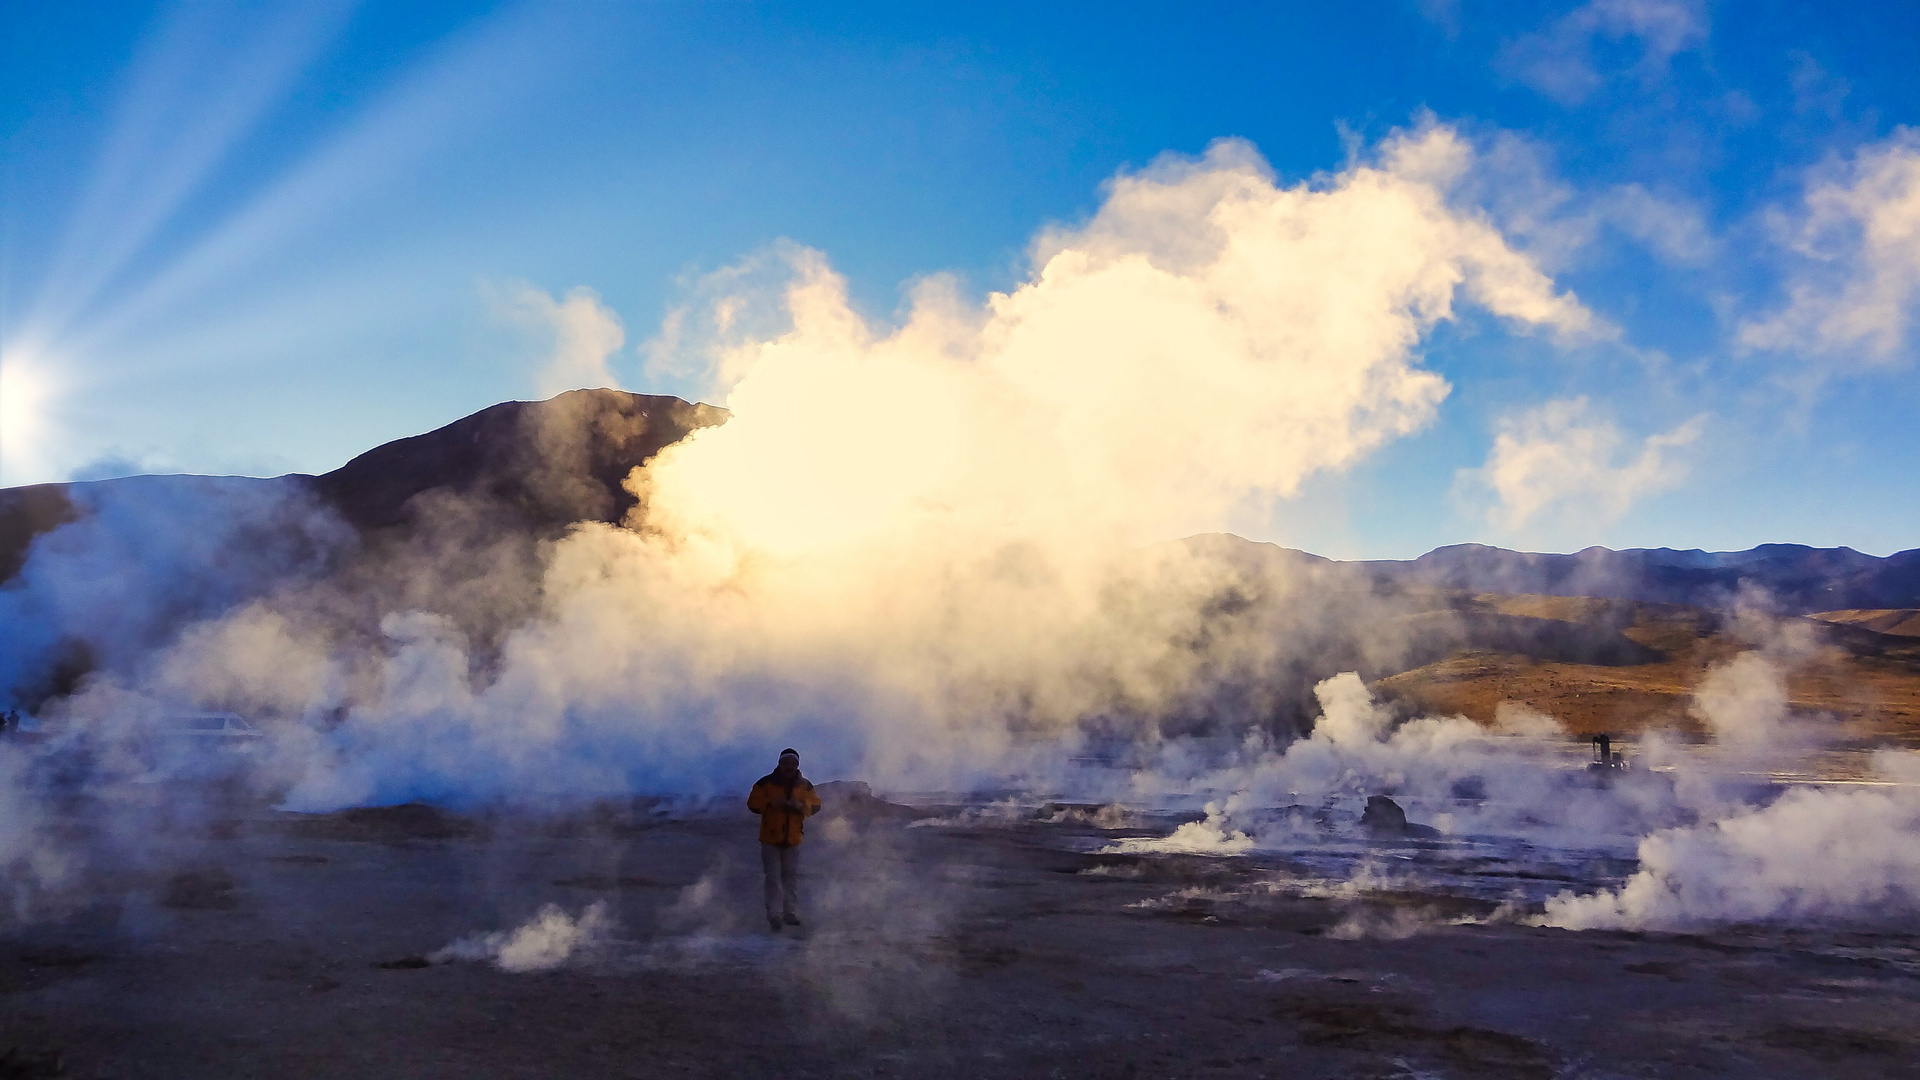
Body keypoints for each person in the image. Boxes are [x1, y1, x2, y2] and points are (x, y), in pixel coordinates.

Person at [746, 748, 821, 931]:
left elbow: (816, 805)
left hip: (793, 839)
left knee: (790, 877)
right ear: (779, 764)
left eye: (793, 763)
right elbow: (752, 803)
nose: (789, 767)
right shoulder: (766, 783)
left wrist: (800, 806)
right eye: (786, 763)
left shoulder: (804, 786)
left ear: (797, 765)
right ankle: (774, 914)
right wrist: (771, 803)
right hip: (770, 838)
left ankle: (789, 913)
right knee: (773, 878)